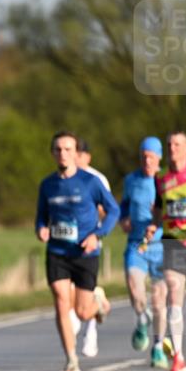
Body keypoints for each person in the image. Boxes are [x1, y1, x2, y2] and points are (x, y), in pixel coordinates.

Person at [36, 131, 120, 371]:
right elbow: (41, 215)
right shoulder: (47, 184)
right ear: (53, 153)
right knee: (62, 301)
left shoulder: (91, 182)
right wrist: (40, 228)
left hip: (85, 251)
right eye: (58, 149)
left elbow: (113, 210)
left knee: (83, 313)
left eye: (68, 149)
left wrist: (98, 234)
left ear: (76, 153)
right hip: (58, 252)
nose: (63, 154)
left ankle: (98, 302)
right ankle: (72, 361)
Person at [146, 130, 186, 371]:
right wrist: (153, 225)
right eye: (169, 144)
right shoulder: (161, 178)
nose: (172, 148)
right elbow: (159, 209)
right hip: (173, 243)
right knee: (172, 288)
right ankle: (178, 356)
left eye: (177, 144)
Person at [119, 136, 168, 367]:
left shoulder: (167, 181)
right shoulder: (131, 180)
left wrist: (161, 217)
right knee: (134, 286)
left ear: (159, 158)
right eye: (143, 156)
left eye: (151, 157)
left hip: (160, 246)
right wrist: (123, 219)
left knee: (159, 301)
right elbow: (124, 204)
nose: (147, 161)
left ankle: (158, 347)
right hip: (137, 244)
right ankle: (141, 319)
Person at [73, 138, 112, 357]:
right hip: (67, 241)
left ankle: (90, 333)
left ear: (87, 156)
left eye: (79, 154)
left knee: (84, 289)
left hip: (90, 240)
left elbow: (108, 210)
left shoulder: (98, 179)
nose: (75, 158)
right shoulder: (65, 178)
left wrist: (90, 210)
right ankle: (79, 321)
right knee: (69, 289)